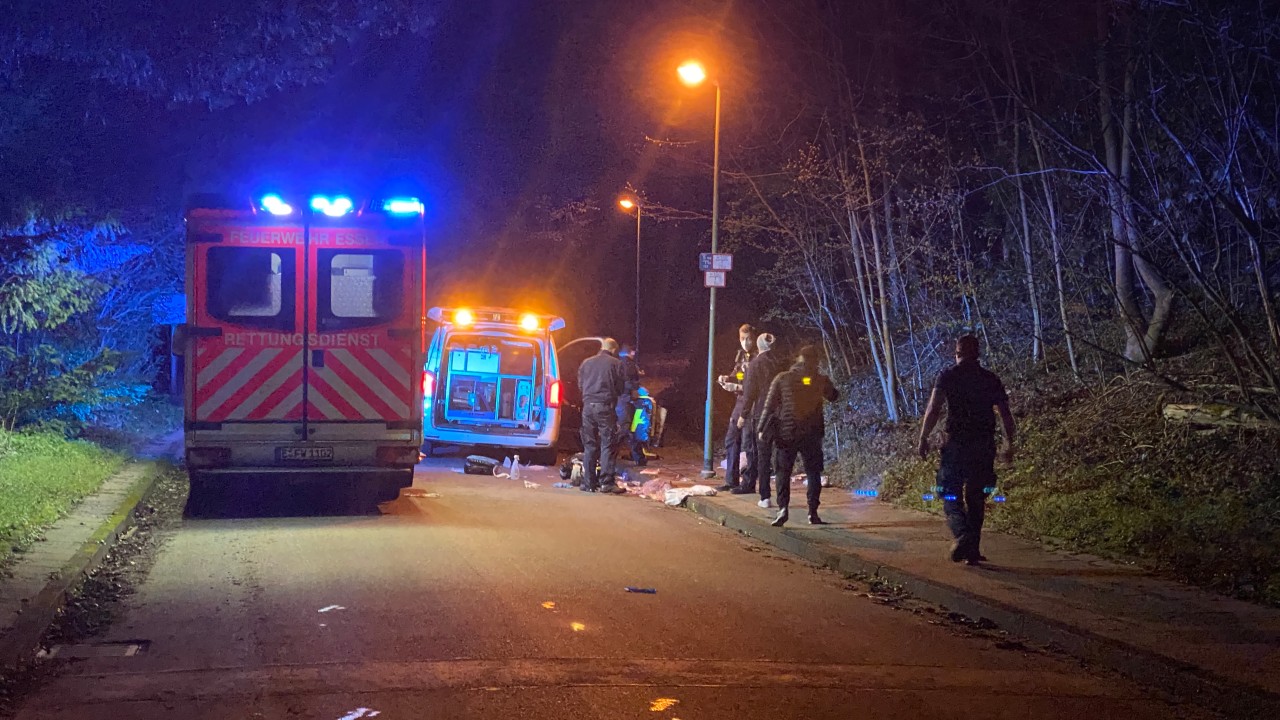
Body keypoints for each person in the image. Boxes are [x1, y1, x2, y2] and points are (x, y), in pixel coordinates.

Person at [917, 334, 1016, 565]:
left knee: (949, 492)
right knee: (976, 496)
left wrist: (923, 437)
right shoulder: (989, 379)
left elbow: (933, 408)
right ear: (978, 353)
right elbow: (1005, 414)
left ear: (957, 352)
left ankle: (962, 535)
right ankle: (972, 548)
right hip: (983, 445)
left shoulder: (949, 376)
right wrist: (1009, 443)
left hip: (957, 445)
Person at [758, 344, 838, 526]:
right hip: (812, 433)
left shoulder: (782, 378)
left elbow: (769, 406)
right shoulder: (820, 379)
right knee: (813, 473)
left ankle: (783, 508)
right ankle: (813, 513)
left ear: (798, 359)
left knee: (783, 472)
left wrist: (761, 428)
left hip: (787, 432)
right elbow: (834, 396)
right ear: (815, 361)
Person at [735, 332, 787, 507]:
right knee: (781, 457)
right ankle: (783, 498)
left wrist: (743, 415)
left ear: (759, 346)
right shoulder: (781, 364)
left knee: (763, 456)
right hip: (782, 415)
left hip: (762, 416)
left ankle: (765, 497)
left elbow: (750, 393)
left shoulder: (755, 365)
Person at [576, 337, 627, 494]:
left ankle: (588, 483)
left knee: (590, 445)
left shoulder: (586, 362)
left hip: (588, 408)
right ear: (613, 350)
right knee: (608, 444)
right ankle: (606, 482)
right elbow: (620, 388)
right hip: (605, 407)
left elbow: (580, 385)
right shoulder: (616, 364)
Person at [717, 324, 756, 492]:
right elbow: (737, 375)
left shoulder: (758, 357)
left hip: (752, 404)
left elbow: (755, 386)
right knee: (731, 439)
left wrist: (738, 387)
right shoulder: (741, 356)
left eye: (748, 339)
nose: (745, 343)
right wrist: (727, 379)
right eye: (742, 339)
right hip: (740, 402)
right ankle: (731, 480)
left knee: (749, 443)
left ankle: (748, 483)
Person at [616, 345, 646, 465]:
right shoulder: (629, 364)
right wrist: (638, 388)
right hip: (627, 400)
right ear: (630, 352)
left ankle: (638, 457)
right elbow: (629, 382)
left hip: (621, 400)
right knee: (627, 429)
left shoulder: (618, 363)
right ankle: (638, 457)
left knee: (628, 429)